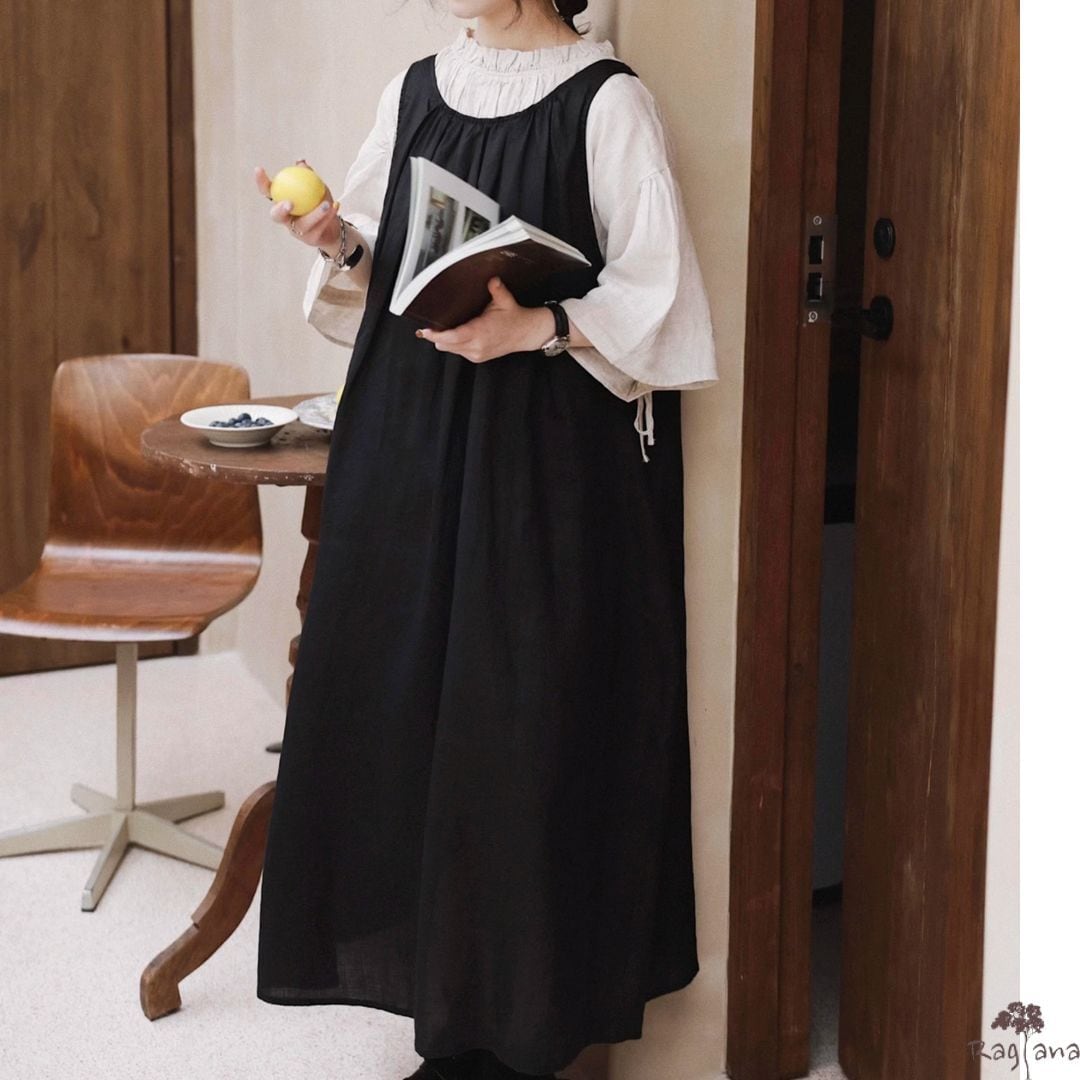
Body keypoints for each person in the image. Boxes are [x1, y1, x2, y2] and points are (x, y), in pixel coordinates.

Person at [253, 2, 721, 1078]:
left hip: (544, 460)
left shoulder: (609, 102)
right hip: (412, 440)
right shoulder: (417, 87)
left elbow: (662, 296)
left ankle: (524, 1030)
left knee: (521, 722)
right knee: (409, 707)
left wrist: (536, 326)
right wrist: (339, 240)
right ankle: (450, 1015)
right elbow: (390, 262)